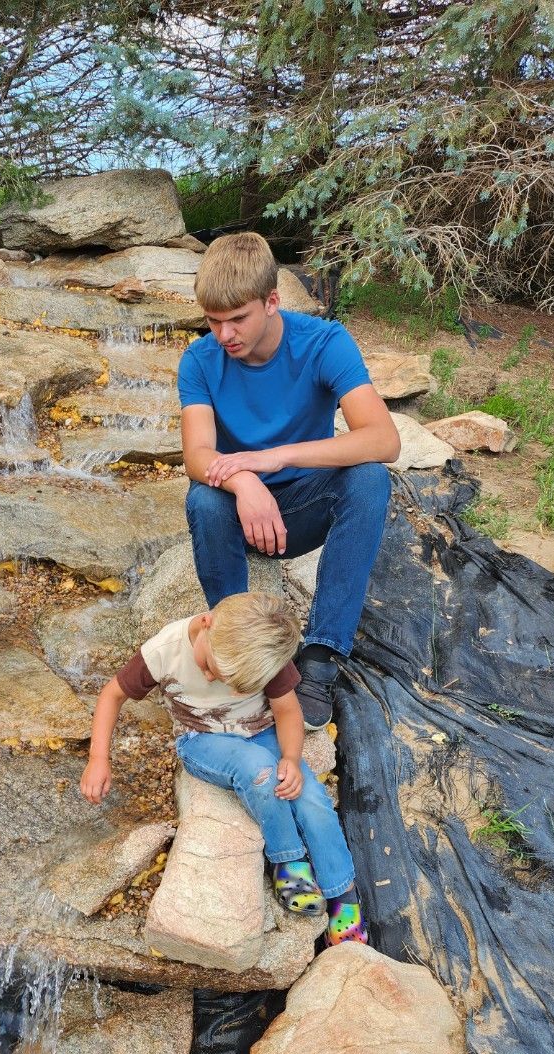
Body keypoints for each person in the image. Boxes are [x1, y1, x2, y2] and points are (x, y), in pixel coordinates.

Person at [178, 232, 400, 729]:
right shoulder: (198, 360)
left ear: (272, 301)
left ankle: (320, 657)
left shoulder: (324, 342)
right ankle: (236, 647)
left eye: (238, 319)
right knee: (203, 499)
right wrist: (245, 483)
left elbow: (384, 439)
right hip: (235, 515)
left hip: (303, 509)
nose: (224, 335)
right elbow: (197, 454)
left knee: (369, 479)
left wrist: (275, 458)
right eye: (213, 321)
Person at [80, 590, 368, 945]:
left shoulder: (262, 653)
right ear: (206, 624)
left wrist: (291, 759)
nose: (213, 679)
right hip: (201, 740)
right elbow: (112, 694)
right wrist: (98, 759)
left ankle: (343, 892)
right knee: (259, 771)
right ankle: (288, 859)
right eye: (210, 669)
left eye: (232, 683)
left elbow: (287, 711)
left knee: (310, 796)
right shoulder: (164, 650)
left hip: (262, 732)